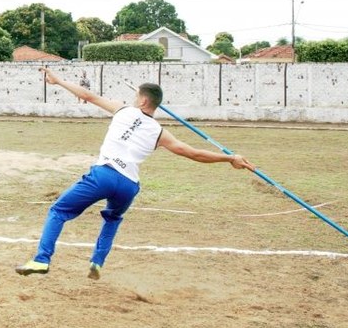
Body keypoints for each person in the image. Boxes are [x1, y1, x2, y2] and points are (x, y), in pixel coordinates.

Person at [15, 67, 255, 280]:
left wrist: (58, 81)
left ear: (142, 101)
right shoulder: (159, 132)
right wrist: (229, 158)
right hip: (129, 185)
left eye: (135, 96)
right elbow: (191, 153)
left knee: (58, 210)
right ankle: (97, 262)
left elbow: (87, 95)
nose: (132, 99)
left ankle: (42, 259)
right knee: (112, 219)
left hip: (104, 175)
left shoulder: (123, 111)